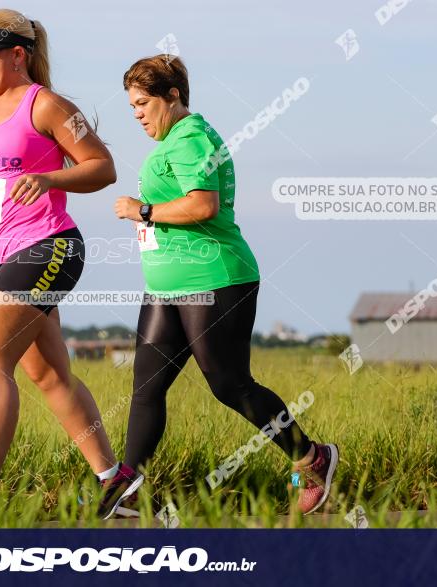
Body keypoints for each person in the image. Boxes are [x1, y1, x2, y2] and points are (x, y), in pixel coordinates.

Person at [0, 8, 141, 520]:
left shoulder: (49, 106)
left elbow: (102, 167)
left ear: (17, 54)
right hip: (0, 254)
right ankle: (116, 484)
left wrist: (49, 180)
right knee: (49, 375)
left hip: (48, 245)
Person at [113, 55, 338, 515]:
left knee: (231, 385)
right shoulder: (176, 139)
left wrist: (143, 210)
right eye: (131, 105)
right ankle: (126, 489)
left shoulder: (190, 138)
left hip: (214, 278)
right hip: (166, 285)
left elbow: (203, 205)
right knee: (147, 386)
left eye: (142, 102)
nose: (136, 113)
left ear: (172, 96)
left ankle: (311, 459)